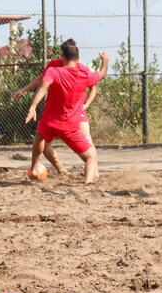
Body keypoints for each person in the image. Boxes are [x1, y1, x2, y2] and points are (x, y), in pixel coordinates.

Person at [24, 41, 108, 185]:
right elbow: (101, 74)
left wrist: (33, 107)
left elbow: (43, 87)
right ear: (78, 58)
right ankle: (87, 184)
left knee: (39, 138)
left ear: (62, 56)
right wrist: (105, 61)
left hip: (49, 122)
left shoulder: (53, 71)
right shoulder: (84, 76)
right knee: (90, 157)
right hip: (69, 126)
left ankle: (33, 169)